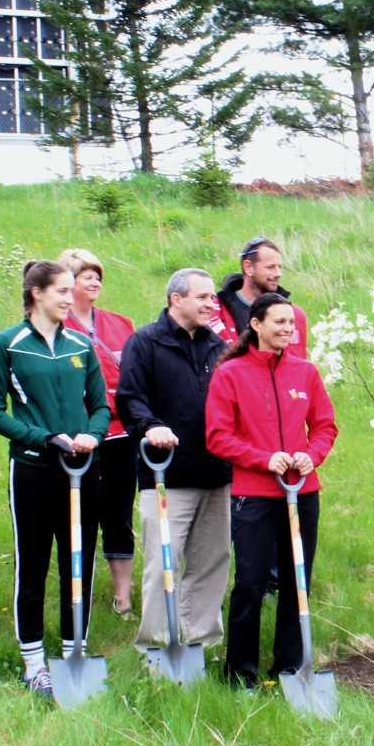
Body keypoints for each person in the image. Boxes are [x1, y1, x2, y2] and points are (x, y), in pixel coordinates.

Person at [0, 260, 110, 699]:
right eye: (62, 290)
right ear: (36, 293)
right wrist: (43, 437)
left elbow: (100, 405)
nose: (70, 298)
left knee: (80, 560)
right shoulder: (8, 345)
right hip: (35, 470)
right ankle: (34, 662)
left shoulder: (81, 344)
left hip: (84, 470)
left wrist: (91, 437)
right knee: (32, 564)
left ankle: (77, 650)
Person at [206, 293, 337, 688]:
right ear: (256, 325)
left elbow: (326, 426)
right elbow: (217, 436)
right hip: (255, 493)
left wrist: (311, 455)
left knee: (298, 580)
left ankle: (290, 668)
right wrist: (264, 459)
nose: (287, 329)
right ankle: (240, 673)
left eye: (291, 323)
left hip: (302, 491)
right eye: (278, 322)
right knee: (250, 581)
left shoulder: (305, 372)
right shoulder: (230, 374)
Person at [116, 268, 232, 651]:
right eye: (201, 297)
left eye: (212, 298)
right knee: (162, 566)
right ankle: (157, 646)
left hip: (216, 475)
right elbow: (130, 398)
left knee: (212, 561)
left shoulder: (218, 347)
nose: (210, 304)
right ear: (176, 299)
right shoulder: (146, 343)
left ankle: (202, 643)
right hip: (166, 475)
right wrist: (150, 427)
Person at [57, 248, 138, 620]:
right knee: (82, 514)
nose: (94, 280)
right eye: (84, 274)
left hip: (122, 435)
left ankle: (123, 598)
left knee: (119, 514)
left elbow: (137, 377)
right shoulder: (56, 327)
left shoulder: (120, 323)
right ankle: (80, 594)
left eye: (97, 274)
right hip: (80, 438)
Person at [210, 236, 308, 359]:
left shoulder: (295, 316)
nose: (278, 274)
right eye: (270, 267)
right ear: (248, 267)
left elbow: (298, 369)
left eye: (279, 267)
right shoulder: (214, 312)